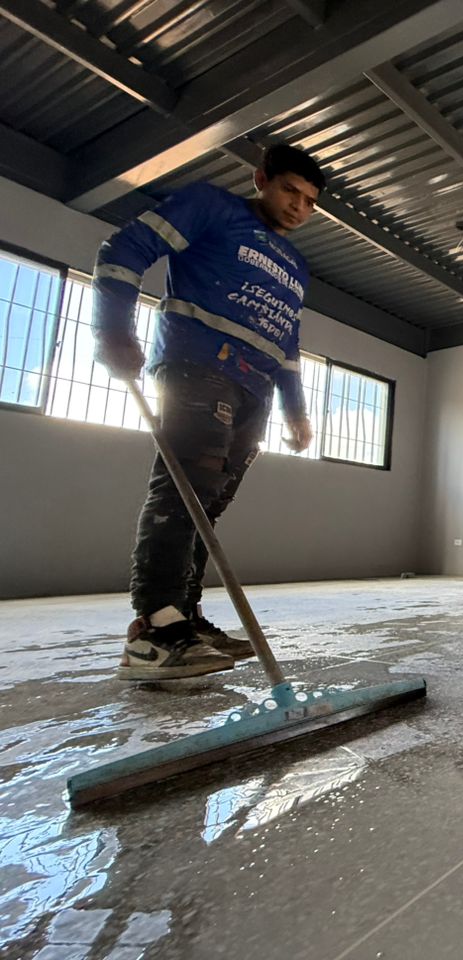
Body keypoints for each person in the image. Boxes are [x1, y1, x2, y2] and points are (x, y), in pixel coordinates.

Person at [92, 144, 325, 680]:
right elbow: (124, 249)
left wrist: (295, 410)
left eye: (310, 201)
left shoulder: (295, 265)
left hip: (255, 389)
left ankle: (188, 619)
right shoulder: (210, 206)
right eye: (289, 190)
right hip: (198, 367)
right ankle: (154, 629)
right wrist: (113, 330)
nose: (298, 207)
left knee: (209, 506)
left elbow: (287, 342)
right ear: (261, 179)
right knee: (185, 494)